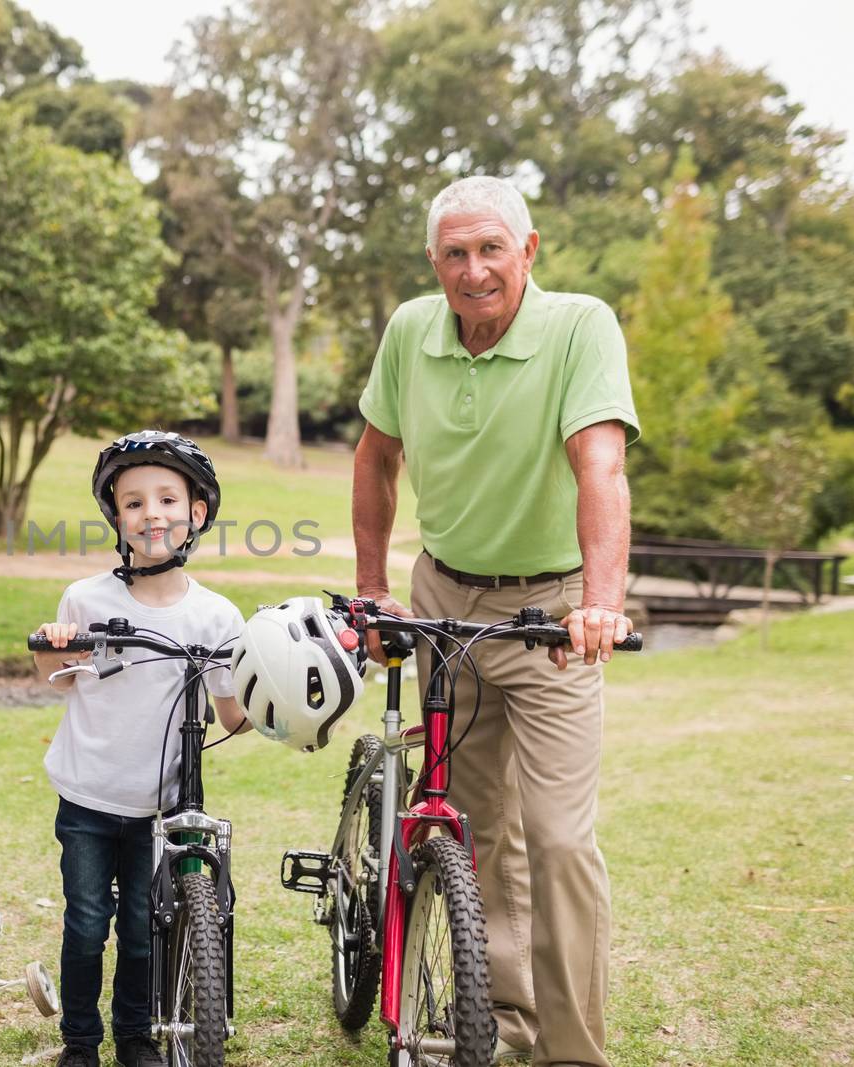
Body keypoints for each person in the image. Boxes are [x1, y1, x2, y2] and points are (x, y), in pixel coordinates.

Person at [353, 175, 639, 1067]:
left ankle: (573, 1052)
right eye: (454, 254)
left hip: (551, 614)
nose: (473, 271)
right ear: (434, 261)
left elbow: (601, 468)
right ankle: (502, 1018)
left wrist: (601, 601)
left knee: (557, 838)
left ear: (529, 250)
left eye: (491, 250)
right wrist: (372, 588)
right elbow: (376, 458)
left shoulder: (580, 325)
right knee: (471, 826)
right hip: (443, 602)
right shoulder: (411, 330)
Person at [32, 430, 250, 1067]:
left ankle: (135, 1035)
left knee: (140, 933)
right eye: (133, 503)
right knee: (86, 924)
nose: (151, 514)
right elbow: (56, 673)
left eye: (166, 500)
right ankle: (79, 1041)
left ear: (196, 514)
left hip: (161, 807)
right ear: (116, 517)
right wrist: (57, 643)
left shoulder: (217, 617)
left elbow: (231, 712)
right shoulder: (88, 599)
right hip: (89, 798)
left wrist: (275, 709)